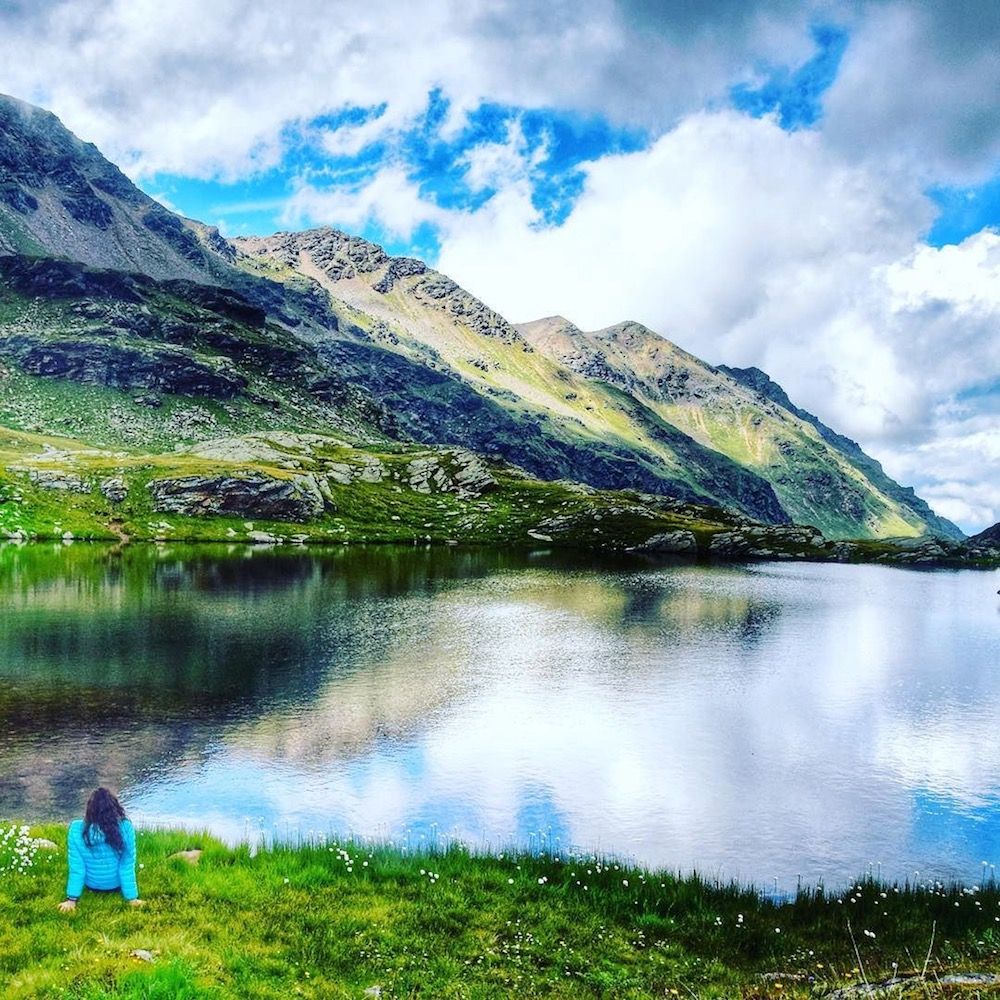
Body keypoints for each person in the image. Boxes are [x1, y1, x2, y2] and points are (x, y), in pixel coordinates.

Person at [57, 787, 143, 912]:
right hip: (116, 885)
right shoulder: (126, 827)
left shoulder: (76, 829)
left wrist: (71, 900)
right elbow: (126, 865)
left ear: (90, 810)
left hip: (92, 886)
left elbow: (77, 868)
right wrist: (132, 898)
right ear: (115, 808)